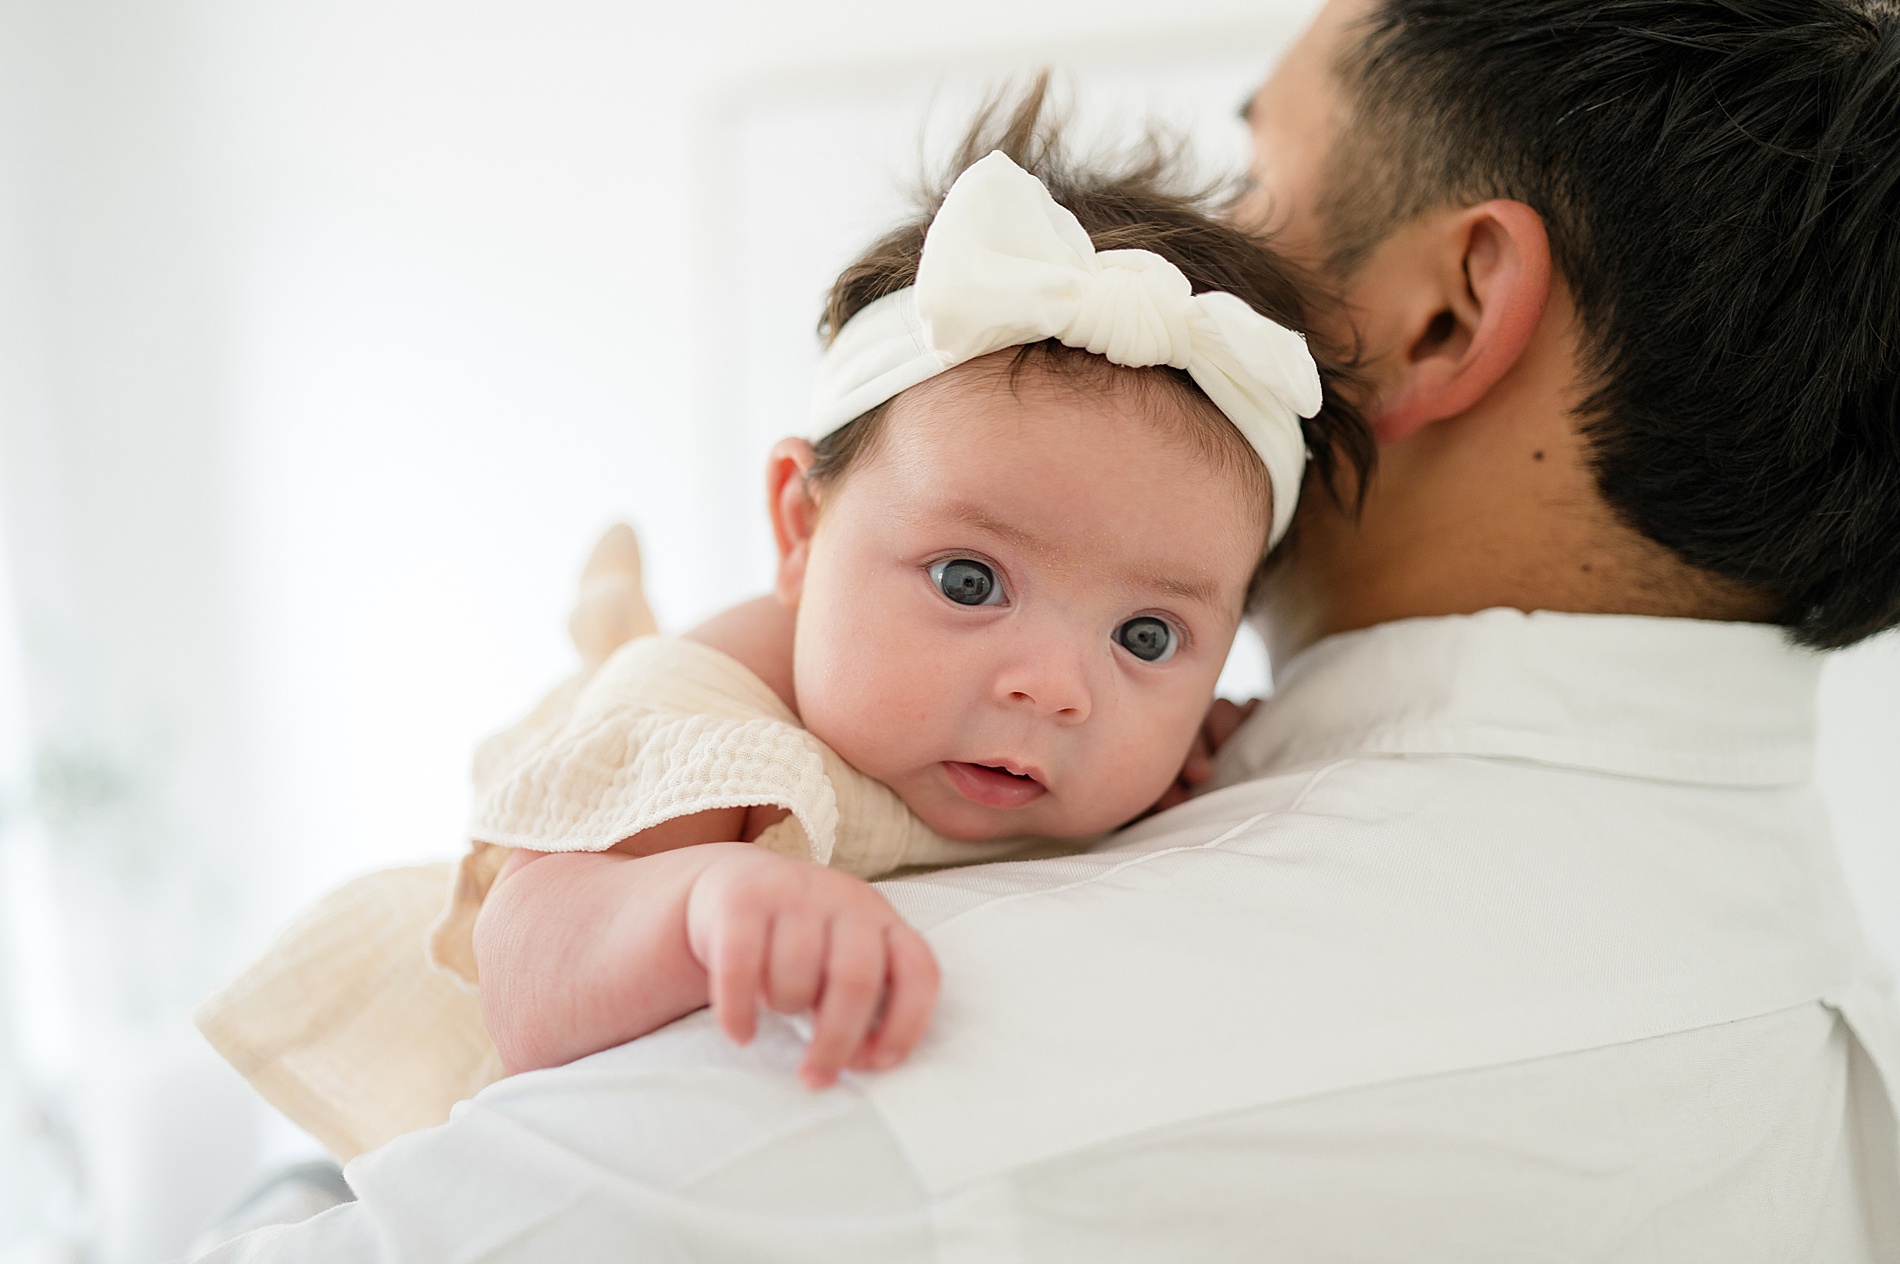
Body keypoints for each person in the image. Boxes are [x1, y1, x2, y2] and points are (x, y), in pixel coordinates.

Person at [204, 0, 1900, 1258]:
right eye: (969, 580)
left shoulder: (933, 1077)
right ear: (800, 521)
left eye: (1266, 175)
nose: (1048, 682)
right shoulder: (1807, 993)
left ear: (1446, 312)